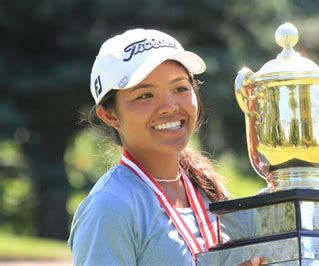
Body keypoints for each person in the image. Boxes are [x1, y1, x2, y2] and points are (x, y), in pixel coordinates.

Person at [68, 28, 265, 265]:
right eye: (145, 95)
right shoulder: (110, 207)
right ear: (110, 115)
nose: (169, 106)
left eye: (180, 88)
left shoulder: (212, 193)